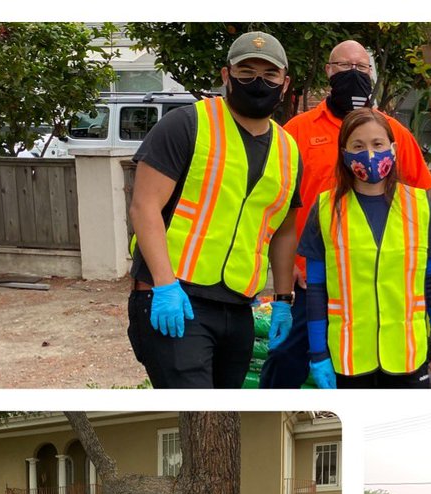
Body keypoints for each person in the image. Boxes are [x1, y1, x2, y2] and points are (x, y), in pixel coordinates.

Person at [126, 31, 301, 388]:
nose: (258, 82)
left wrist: (283, 299)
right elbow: (144, 206)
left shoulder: (288, 149)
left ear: (284, 83)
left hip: (238, 308)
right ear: (226, 76)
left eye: (269, 75)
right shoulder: (186, 125)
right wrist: (163, 286)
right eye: (246, 72)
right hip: (176, 297)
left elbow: (283, 229)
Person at [260, 38, 431, 389]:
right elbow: (273, 207)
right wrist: (290, 266)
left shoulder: (393, 133)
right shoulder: (297, 131)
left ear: (372, 75)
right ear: (328, 71)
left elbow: (421, 204)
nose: (353, 74)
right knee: (286, 360)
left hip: (375, 283)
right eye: (344, 67)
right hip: (312, 279)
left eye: (361, 68)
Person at [299, 109, 431, 389]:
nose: (369, 154)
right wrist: (318, 353)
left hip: (407, 354)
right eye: (358, 146)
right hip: (348, 358)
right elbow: (316, 291)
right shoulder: (325, 209)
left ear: (393, 150)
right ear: (344, 153)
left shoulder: (418, 205)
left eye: (377, 144)